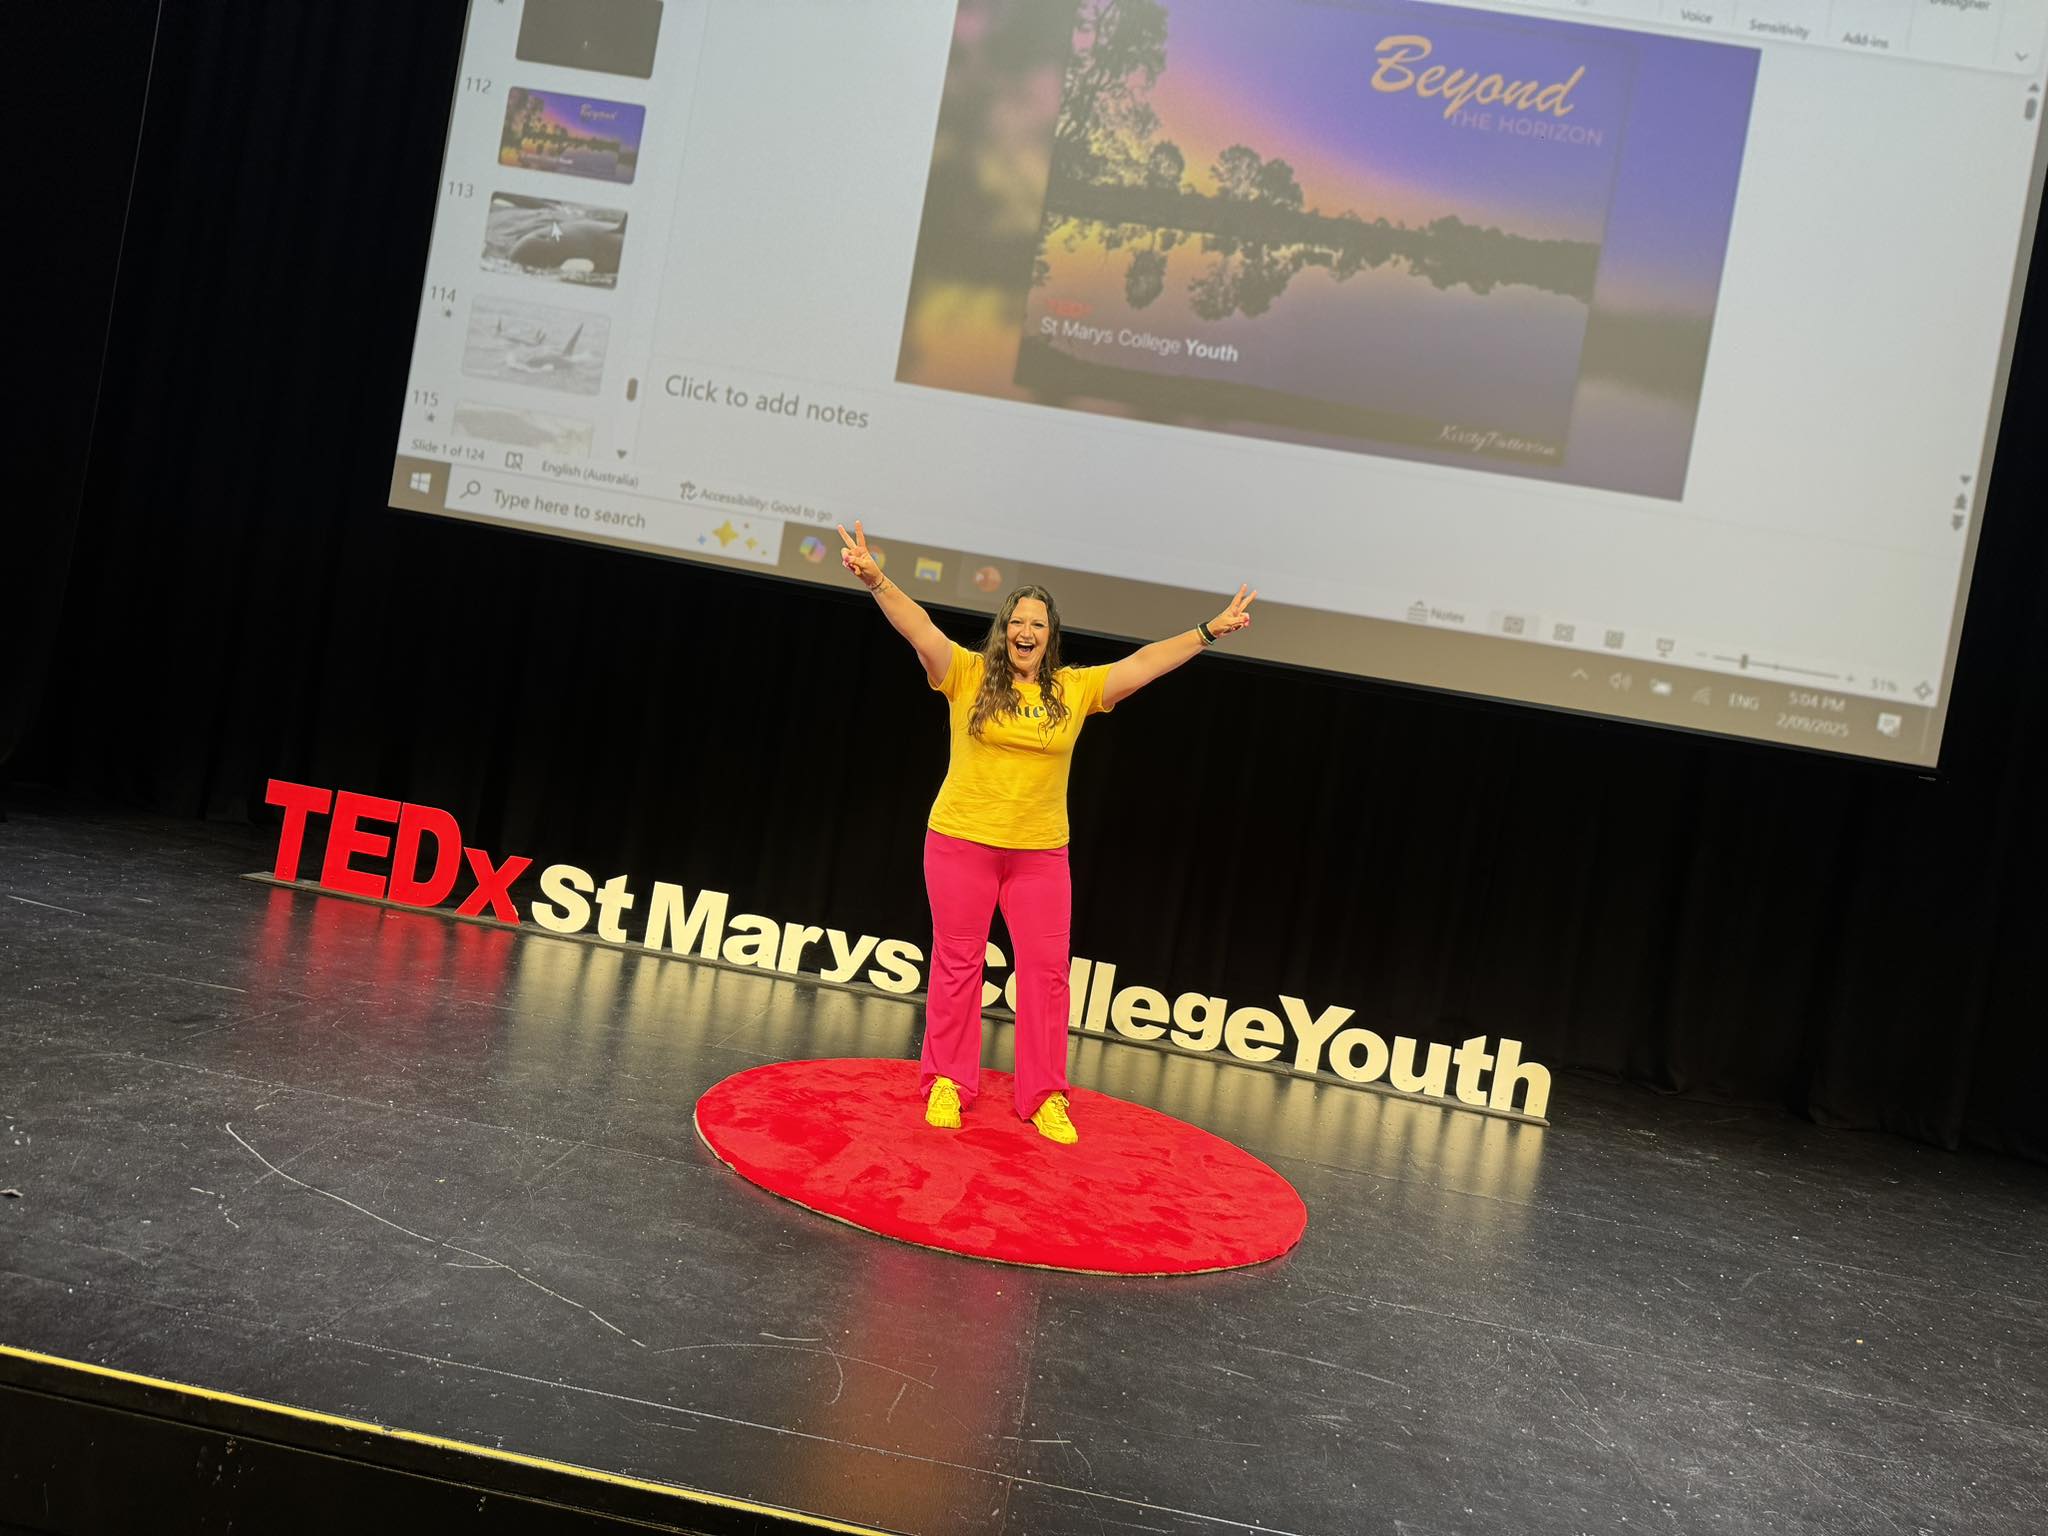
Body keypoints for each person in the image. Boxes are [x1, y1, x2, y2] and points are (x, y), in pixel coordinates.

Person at [837, 520, 1254, 1145]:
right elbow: (919, 627)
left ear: (1049, 636)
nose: (1026, 632)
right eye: (1016, 622)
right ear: (1003, 631)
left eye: (1038, 624)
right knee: (958, 963)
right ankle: (948, 1081)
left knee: (1047, 971)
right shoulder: (967, 674)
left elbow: (1143, 664)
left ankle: (1044, 1096)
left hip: (1038, 856)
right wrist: (876, 580)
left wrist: (1206, 632)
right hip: (961, 841)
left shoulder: (1073, 689)